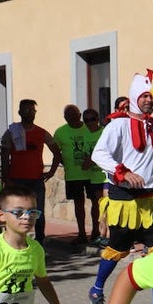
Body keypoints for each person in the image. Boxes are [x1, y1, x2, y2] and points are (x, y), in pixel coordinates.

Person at [87, 71, 153, 304]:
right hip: (124, 197)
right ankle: (96, 290)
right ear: (135, 97)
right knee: (118, 248)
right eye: (144, 96)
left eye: (151, 96)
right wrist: (123, 173)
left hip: (151, 197)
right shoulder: (118, 124)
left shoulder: (152, 124)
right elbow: (99, 154)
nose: (149, 100)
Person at [0, 99, 61, 246]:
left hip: (36, 179)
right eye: (26, 110)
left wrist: (51, 171)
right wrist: (7, 178)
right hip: (16, 178)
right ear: (20, 112)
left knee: (38, 212)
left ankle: (39, 242)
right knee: (16, 212)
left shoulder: (42, 132)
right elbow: (4, 155)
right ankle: (17, 241)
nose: (30, 113)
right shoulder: (11, 132)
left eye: (32, 110)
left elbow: (57, 152)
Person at [54, 104, 104, 245]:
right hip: (73, 175)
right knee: (78, 204)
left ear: (80, 115)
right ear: (65, 118)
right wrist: (58, 166)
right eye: (69, 117)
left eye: (75, 116)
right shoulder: (60, 132)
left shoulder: (88, 128)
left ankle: (96, 231)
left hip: (93, 175)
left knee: (96, 203)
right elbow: (56, 152)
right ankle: (81, 233)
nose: (73, 119)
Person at [83, 109, 109, 247]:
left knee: (106, 206)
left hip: (105, 176)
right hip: (93, 177)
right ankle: (97, 232)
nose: (89, 123)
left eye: (92, 119)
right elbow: (86, 155)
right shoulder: (85, 134)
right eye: (86, 120)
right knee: (97, 206)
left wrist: (92, 159)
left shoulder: (104, 132)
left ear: (98, 119)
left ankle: (106, 235)